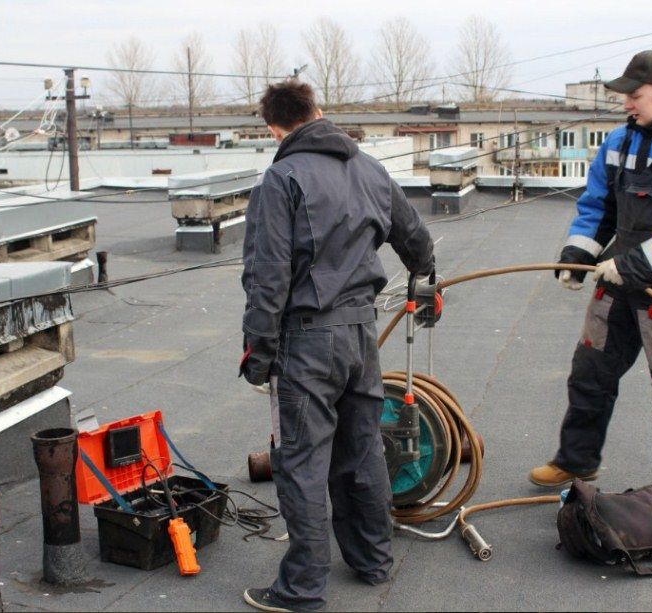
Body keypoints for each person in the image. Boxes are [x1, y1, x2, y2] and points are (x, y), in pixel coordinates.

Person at [239, 80, 435, 612]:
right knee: (362, 447)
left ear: (274, 128)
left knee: (300, 461)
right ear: (319, 113)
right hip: (360, 336)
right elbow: (416, 239)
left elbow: (268, 276)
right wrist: (426, 279)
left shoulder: (281, 179)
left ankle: (301, 589)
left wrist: (258, 352)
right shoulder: (370, 168)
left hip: (306, 340)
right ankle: (373, 560)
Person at [529, 49, 652, 524]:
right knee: (590, 374)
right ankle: (575, 462)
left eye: (635, 96)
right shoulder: (619, 142)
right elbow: (596, 204)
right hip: (616, 282)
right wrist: (579, 254)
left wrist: (636, 264)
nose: (627, 106)